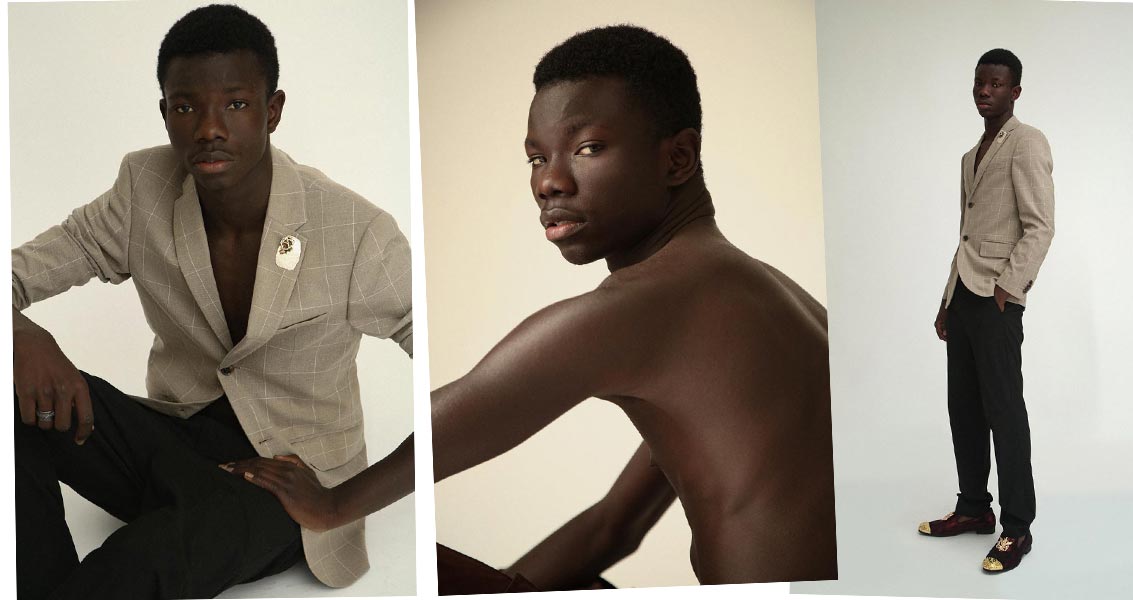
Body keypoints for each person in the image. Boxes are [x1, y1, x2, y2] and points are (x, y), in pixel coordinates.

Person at [12, 5, 414, 598]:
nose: (208, 128)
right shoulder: (143, 187)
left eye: (235, 103)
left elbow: (464, 392)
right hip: (172, 442)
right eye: (185, 106)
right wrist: (18, 333)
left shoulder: (357, 233)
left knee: (143, 562)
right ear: (165, 114)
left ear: (272, 110)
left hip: (287, 486)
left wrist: (337, 503)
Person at [429, 25, 836, 589]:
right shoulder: (755, 303)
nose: (549, 182)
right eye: (535, 158)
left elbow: (416, 451)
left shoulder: (657, 303)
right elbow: (612, 528)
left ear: (678, 159)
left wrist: (328, 506)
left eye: (587, 147)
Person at [921, 48, 1054, 574]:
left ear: (1015, 90)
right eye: (979, 83)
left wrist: (1008, 288)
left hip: (998, 301)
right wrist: (947, 300)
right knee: (965, 411)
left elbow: (1040, 225)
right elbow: (968, 236)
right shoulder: (968, 156)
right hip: (965, 299)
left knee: (1005, 415)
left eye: (996, 84)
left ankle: (1017, 528)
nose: (985, 91)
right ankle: (974, 508)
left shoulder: (1027, 143)